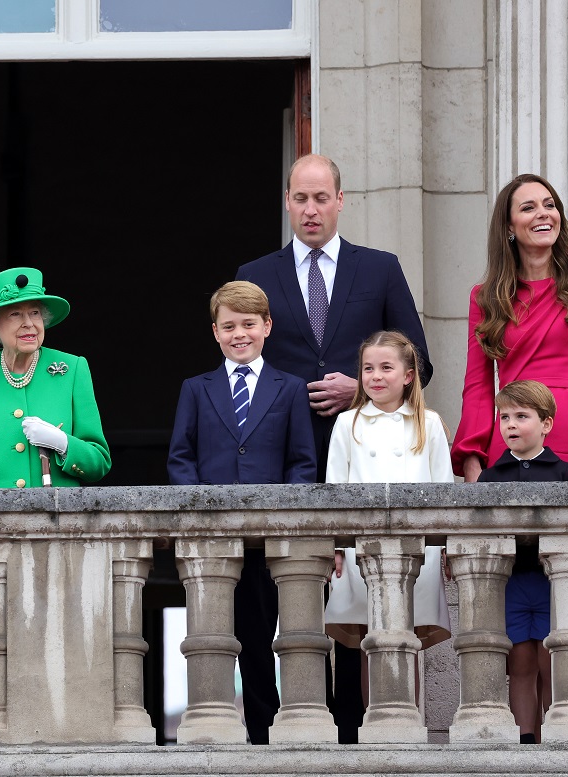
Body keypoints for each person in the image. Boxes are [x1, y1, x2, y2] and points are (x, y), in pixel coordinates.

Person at [236, 153, 432, 740]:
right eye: (301, 198)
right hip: (275, 457)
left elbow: (422, 362)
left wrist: (360, 388)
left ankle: (350, 722)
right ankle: (265, 726)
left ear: (341, 201)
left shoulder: (379, 269)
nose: (312, 209)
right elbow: (238, 359)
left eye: (322, 198)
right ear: (288, 202)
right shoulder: (257, 273)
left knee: (351, 588)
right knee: (264, 587)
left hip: (362, 454)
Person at [451, 173, 568, 667]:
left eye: (550, 204)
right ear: (509, 226)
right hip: (508, 444)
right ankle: (524, 728)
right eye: (529, 207)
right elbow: (477, 386)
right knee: (515, 585)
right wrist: (474, 462)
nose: (543, 214)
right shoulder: (485, 296)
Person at [0, 267, 111, 681]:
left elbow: (99, 459)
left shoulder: (72, 370)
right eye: (16, 315)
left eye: (35, 313)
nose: (29, 323)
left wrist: (63, 443)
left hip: (57, 548)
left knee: (58, 669)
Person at [167, 280, 316, 744]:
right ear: (215, 332)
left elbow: (302, 462)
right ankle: (213, 732)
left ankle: (265, 738)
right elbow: (180, 457)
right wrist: (201, 515)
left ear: (266, 326)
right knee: (210, 641)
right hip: (213, 542)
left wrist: (285, 523)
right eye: (229, 326)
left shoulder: (289, 389)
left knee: (260, 639)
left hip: (269, 542)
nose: (239, 334)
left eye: (249, 324)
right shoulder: (196, 388)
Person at [323, 331, 452, 707]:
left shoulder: (428, 423)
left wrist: (441, 548)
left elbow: (443, 491)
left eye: (385, 367)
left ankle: (407, 720)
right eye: (367, 368)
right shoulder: (348, 423)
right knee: (370, 641)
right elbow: (335, 490)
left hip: (417, 550)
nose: (375, 376)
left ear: (408, 375)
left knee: (406, 639)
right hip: (360, 549)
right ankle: (375, 723)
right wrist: (337, 545)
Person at [478, 380, 568, 744]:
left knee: (550, 662)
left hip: (553, 583)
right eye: (504, 416)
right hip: (511, 583)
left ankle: (556, 735)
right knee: (520, 664)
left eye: (521, 416)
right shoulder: (491, 476)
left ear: (546, 424)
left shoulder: (565, 472)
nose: (510, 424)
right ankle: (525, 738)